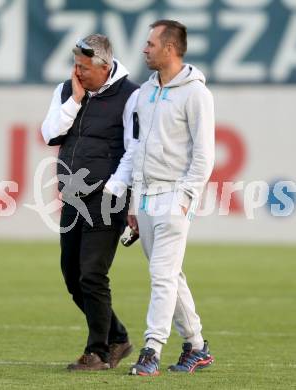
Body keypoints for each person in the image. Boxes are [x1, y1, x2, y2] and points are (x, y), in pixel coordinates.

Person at [41, 34, 139, 370]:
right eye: (75, 65)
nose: (77, 72)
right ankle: (119, 337)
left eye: (84, 67)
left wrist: (123, 195)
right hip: (72, 196)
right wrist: (75, 100)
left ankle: (97, 351)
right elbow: (50, 134)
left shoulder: (131, 96)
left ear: (106, 66)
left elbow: (134, 150)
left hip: (107, 197)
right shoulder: (67, 91)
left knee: (92, 275)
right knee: (72, 276)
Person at [127, 20, 215, 376]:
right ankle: (196, 345)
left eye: (150, 43)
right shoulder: (145, 93)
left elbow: (204, 154)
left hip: (175, 197)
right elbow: (137, 151)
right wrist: (133, 203)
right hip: (146, 198)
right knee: (169, 275)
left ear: (170, 48)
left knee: (161, 276)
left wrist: (187, 195)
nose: (145, 49)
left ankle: (151, 350)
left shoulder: (196, 94)